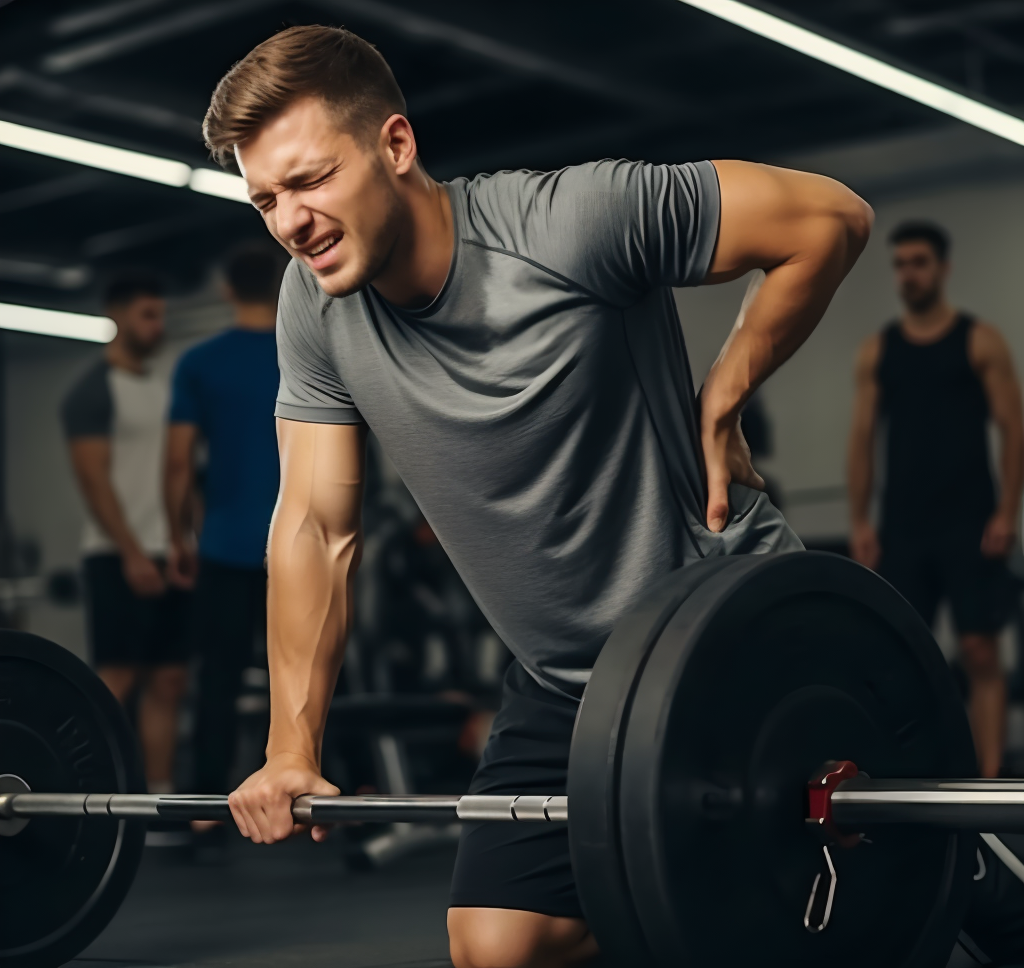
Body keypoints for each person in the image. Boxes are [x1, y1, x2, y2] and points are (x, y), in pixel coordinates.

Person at [202, 25, 872, 968]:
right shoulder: (312, 305)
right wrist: (288, 748)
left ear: (396, 146)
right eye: (265, 198)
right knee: (498, 949)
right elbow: (314, 525)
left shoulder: (567, 221)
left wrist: (722, 399)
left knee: (818, 902)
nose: (289, 222)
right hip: (564, 685)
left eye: (311, 181)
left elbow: (827, 219)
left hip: (720, 637)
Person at [848, 221, 1024, 780]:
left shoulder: (980, 339)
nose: (909, 273)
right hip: (903, 526)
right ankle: (915, 775)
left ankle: (991, 784)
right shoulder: (879, 350)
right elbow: (862, 438)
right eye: (900, 263)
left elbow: (1013, 427)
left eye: (919, 262)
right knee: (905, 659)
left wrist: (1006, 513)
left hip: (971, 523)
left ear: (942, 268)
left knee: (980, 653)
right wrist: (859, 520)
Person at [61, 271, 189, 796]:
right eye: (147, 315)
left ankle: (155, 795)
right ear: (117, 315)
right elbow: (93, 480)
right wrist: (133, 552)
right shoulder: (92, 391)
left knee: (169, 680)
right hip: (116, 555)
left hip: (169, 551)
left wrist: (183, 542)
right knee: (118, 679)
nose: (157, 326)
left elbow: (180, 473)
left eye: (160, 315)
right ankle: (93, 790)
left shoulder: (161, 389)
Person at [164, 245, 283, 802]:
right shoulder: (306, 351)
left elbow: (178, 462)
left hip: (224, 545)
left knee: (218, 677)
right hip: (298, 544)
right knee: (318, 669)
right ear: (283, 284)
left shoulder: (199, 362)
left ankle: (208, 804)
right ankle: (348, 790)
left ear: (227, 291)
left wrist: (178, 537)